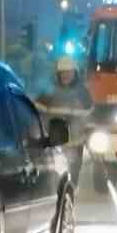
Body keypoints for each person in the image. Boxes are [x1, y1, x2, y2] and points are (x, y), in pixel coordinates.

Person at [38, 55, 93, 186]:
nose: (66, 75)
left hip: (76, 141)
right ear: (58, 74)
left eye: (69, 72)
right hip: (56, 141)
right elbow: (38, 108)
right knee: (56, 174)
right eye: (63, 73)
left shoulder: (82, 92)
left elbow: (91, 112)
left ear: (75, 73)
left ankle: (71, 194)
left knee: (74, 174)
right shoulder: (50, 91)